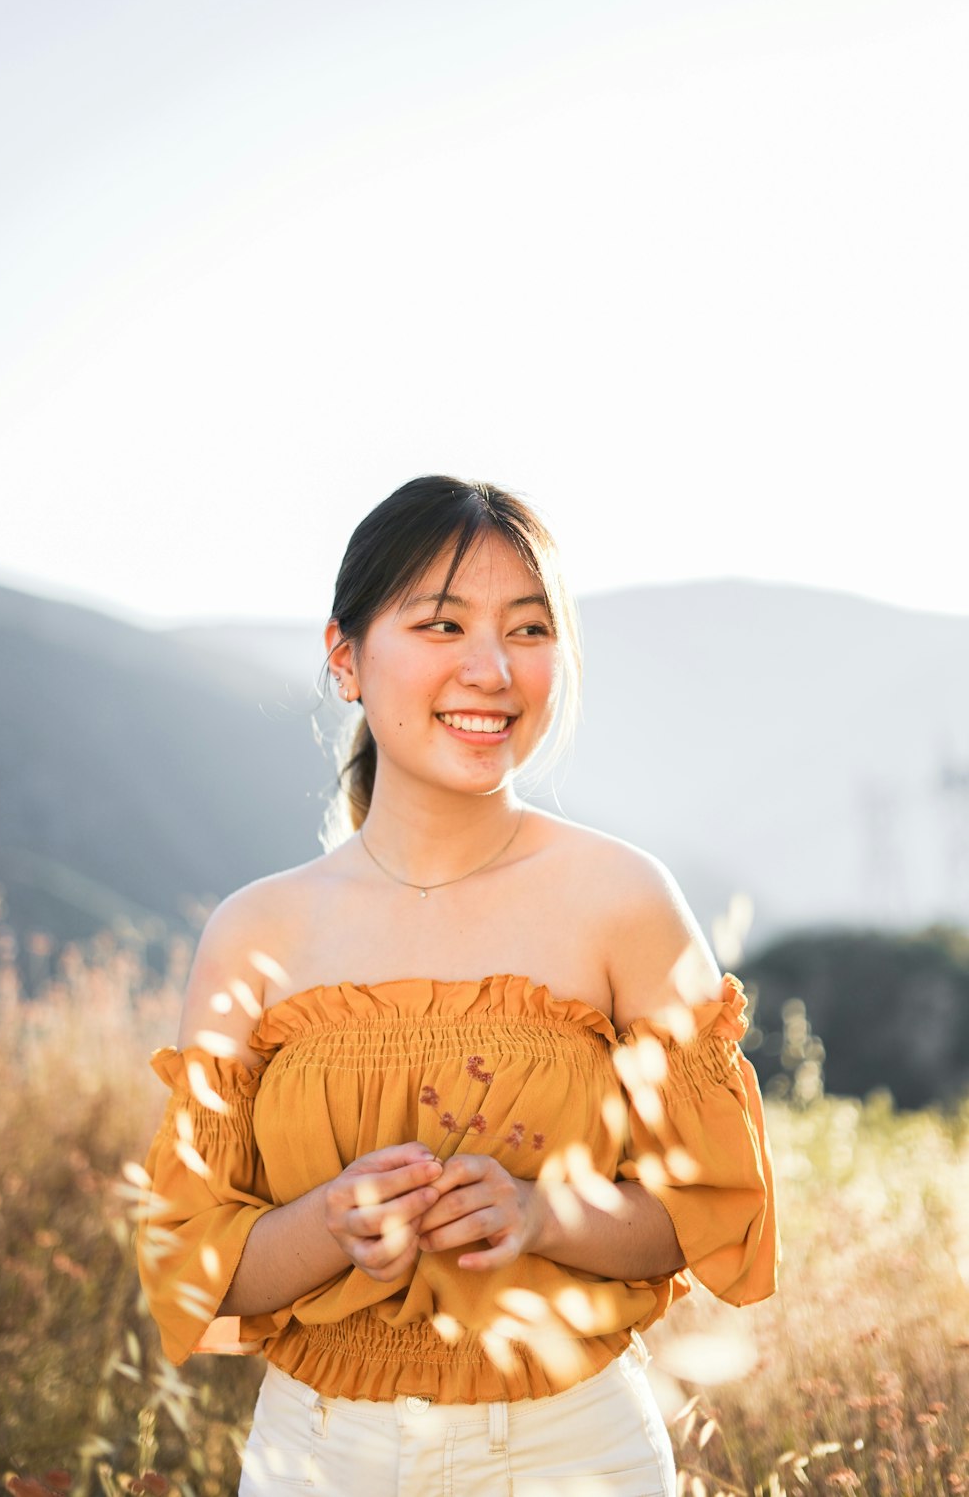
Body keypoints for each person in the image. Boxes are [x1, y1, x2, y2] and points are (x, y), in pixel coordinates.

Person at [137, 475, 778, 1496]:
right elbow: (197, 1262)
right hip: (316, 1458)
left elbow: (707, 1214)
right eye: (441, 624)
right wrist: (328, 1225)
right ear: (345, 657)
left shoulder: (624, 900)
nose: (489, 670)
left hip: (575, 1451)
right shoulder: (253, 934)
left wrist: (544, 1215)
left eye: (528, 630)